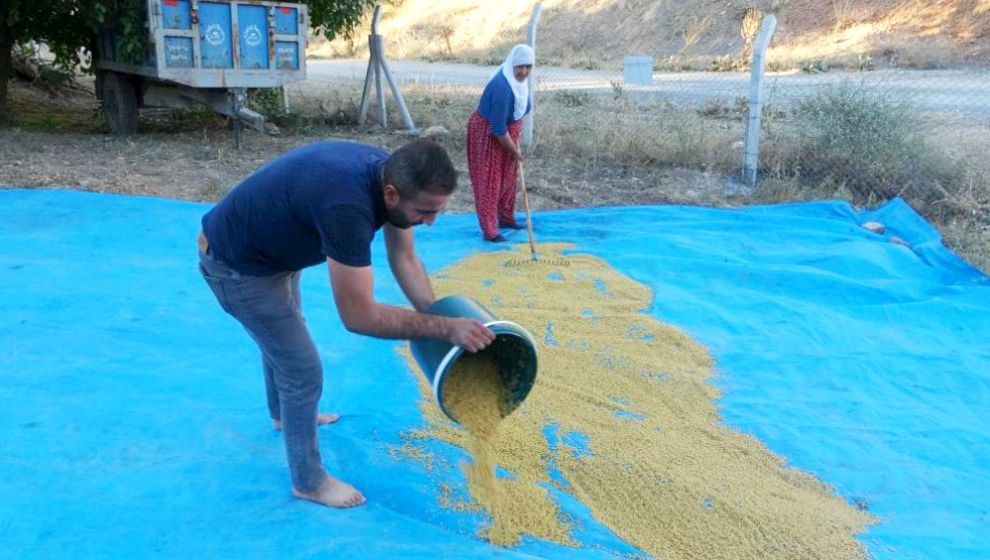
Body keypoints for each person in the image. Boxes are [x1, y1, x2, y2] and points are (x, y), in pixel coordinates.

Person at [197, 139, 496, 509]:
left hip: (270, 252)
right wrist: (443, 329)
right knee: (302, 370)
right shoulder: (346, 208)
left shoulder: (391, 174)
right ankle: (309, 482)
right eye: (425, 211)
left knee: (282, 338)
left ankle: (283, 416)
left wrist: (442, 318)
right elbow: (359, 316)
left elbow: (404, 256)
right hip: (236, 266)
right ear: (391, 194)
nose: (431, 221)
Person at [467, 43, 535, 242]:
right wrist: (514, 151)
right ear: (511, 65)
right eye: (519, 67)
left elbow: (520, 112)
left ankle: (505, 217)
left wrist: (515, 141)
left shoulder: (521, 84)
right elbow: (497, 129)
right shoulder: (502, 88)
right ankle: (490, 230)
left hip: (507, 135)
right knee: (490, 180)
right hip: (488, 134)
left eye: (528, 67)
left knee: (507, 177)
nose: (523, 72)